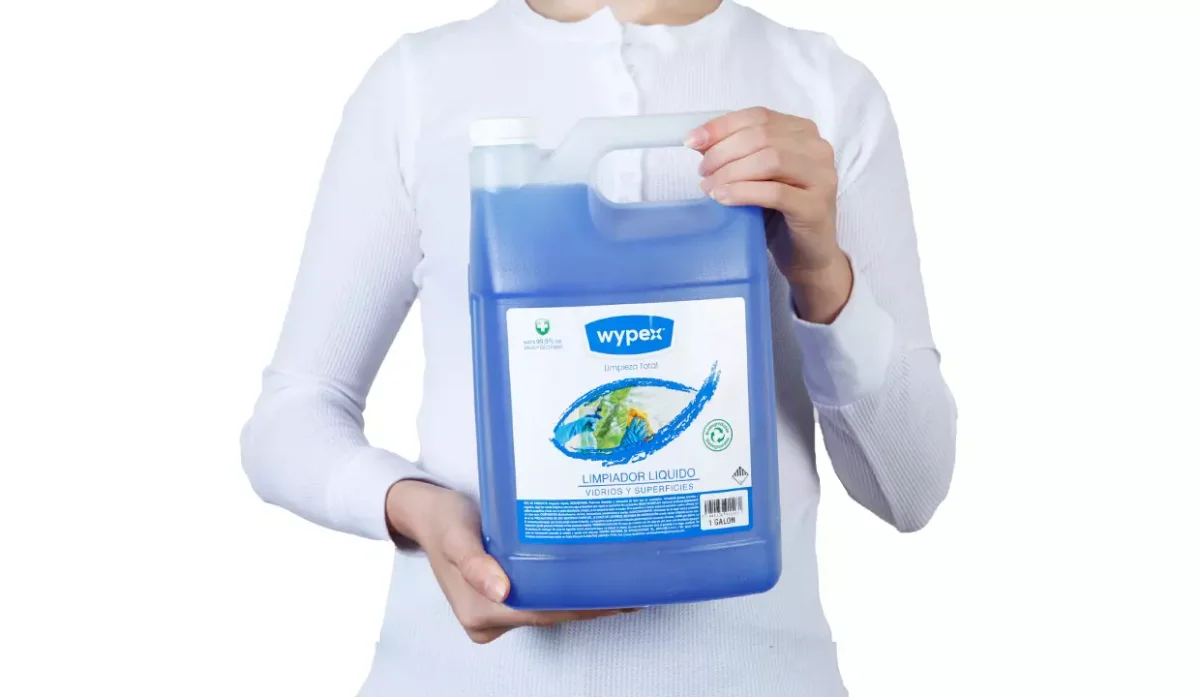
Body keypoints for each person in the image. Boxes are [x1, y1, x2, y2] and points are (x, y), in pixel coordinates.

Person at [239, 1, 957, 694]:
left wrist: (822, 273)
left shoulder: (821, 92)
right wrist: (415, 510)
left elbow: (912, 489)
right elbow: (292, 416)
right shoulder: (418, 86)